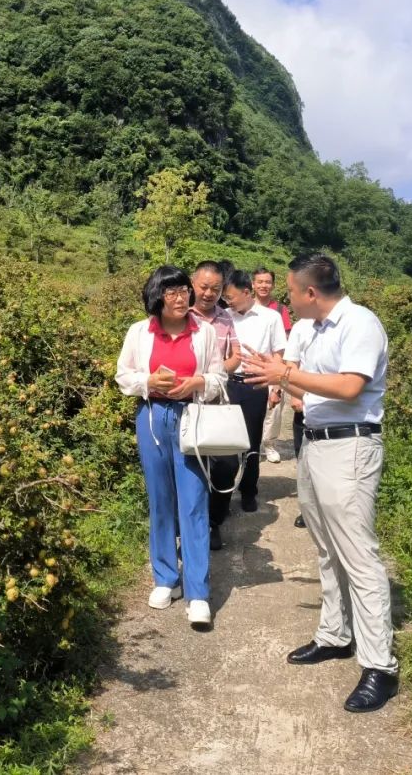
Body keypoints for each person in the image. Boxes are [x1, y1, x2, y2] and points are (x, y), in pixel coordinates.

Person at [243, 253, 399, 713]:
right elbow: (301, 385)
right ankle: (335, 634)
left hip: (350, 446)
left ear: (311, 292)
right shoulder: (309, 328)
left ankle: (380, 666)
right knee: (327, 548)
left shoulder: (359, 323)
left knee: (358, 555)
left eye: (291, 291)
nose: (287, 298)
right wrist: (273, 376)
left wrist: (286, 374)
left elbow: (350, 387)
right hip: (314, 443)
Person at [116, 266, 227, 628]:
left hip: (192, 417)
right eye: (171, 292)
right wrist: (148, 381)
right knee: (160, 500)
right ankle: (166, 578)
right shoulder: (139, 332)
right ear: (157, 296)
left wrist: (198, 382)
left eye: (183, 290)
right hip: (152, 418)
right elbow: (123, 375)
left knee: (194, 502)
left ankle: (198, 592)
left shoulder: (204, 331)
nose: (180, 298)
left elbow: (219, 377)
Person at [218, 270, 287, 514]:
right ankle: (222, 495)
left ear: (246, 292)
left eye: (230, 297)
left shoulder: (271, 317)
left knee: (252, 442)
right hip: (228, 384)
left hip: (256, 385)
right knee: (225, 444)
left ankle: (248, 490)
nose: (227, 301)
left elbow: (279, 354)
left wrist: (276, 388)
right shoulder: (224, 316)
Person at [188, 261, 242, 552]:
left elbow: (236, 355)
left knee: (226, 463)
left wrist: (215, 372)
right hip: (185, 401)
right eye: (204, 287)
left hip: (217, 401)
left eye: (216, 289)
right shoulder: (181, 314)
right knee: (191, 463)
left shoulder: (225, 318)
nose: (209, 293)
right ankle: (189, 526)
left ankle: (214, 521)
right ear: (193, 284)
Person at [253, 267, 292, 464]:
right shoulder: (245, 308)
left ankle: (268, 444)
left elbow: (286, 342)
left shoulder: (280, 310)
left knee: (273, 408)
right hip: (250, 366)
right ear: (252, 284)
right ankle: (248, 446)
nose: (263, 285)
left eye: (267, 282)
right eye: (260, 282)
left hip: (274, 366)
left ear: (273, 285)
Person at [277, 316, 313, 527]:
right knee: (303, 456)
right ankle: (307, 509)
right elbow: (291, 364)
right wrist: (295, 395)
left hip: (333, 408)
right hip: (304, 401)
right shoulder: (301, 326)